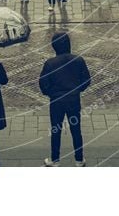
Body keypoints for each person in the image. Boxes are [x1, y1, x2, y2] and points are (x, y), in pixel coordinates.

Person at [39, 32, 91, 166]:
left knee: (56, 130)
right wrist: (77, 90)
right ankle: (79, 159)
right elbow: (86, 80)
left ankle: (54, 159)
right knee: (76, 130)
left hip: (56, 101)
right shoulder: (78, 60)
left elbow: (43, 84)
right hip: (73, 100)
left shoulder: (50, 63)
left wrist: (51, 93)